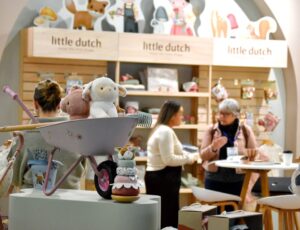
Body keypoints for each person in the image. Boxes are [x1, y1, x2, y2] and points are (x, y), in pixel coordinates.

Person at [11, 79, 86, 190]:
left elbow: (15, 180)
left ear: (35, 104)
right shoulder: (79, 134)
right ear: (59, 105)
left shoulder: (23, 137)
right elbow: (82, 173)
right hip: (71, 203)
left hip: (31, 204)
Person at [200, 98, 268, 206]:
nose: (221, 117)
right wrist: (213, 148)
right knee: (214, 216)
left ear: (235, 115)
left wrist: (248, 154)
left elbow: (254, 153)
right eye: (220, 113)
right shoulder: (211, 130)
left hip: (238, 181)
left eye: (226, 114)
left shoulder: (245, 130)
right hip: (214, 179)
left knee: (234, 215)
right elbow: (203, 155)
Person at [145, 100, 198, 228]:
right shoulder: (165, 131)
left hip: (160, 178)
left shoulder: (160, 129)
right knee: (167, 217)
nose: (182, 117)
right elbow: (168, 159)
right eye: (180, 114)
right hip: (164, 179)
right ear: (172, 115)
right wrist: (188, 158)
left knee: (162, 216)